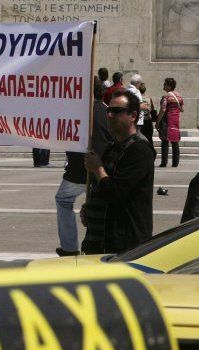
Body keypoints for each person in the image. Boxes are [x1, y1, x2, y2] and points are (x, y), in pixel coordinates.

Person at [82, 90, 154, 254]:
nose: (110, 115)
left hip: (123, 246)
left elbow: (115, 192)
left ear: (133, 116)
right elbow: (102, 189)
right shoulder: (113, 146)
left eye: (117, 111)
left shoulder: (139, 150)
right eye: (109, 110)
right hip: (99, 241)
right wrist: (92, 209)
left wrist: (98, 168)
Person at [54, 78, 113, 256]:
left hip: (81, 170)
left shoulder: (78, 112)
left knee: (63, 200)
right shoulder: (107, 112)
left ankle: (70, 248)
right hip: (105, 169)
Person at [157, 77, 183, 167]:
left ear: (169, 86)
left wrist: (157, 121)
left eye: (165, 84)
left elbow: (163, 109)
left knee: (165, 141)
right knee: (175, 141)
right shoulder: (179, 96)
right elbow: (182, 109)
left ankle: (164, 162)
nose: (163, 86)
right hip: (175, 121)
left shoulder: (166, 97)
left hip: (166, 121)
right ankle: (175, 162)